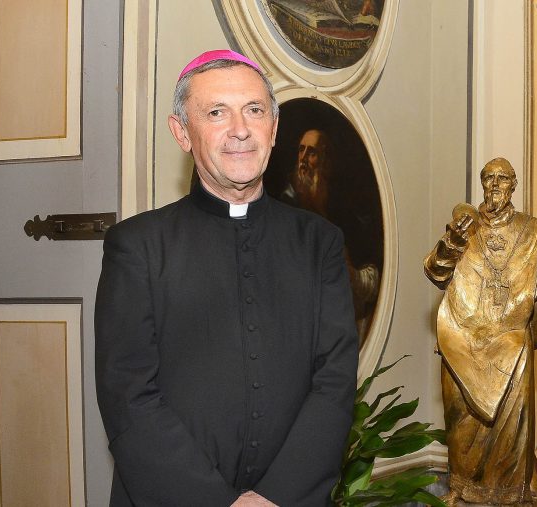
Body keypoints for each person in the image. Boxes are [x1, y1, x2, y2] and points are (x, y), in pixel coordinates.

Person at [95, 49, 358, 506]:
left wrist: (277, 495)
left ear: (273, 130)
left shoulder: (320, 244)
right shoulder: (136, 246)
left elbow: (334, 382)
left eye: (254, 110)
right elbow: (128, 398)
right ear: (182, 132)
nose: (240, 128)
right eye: (216, 112)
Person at [424, 157, 537, 506]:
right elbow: (435, 271)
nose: (495, 185)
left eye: (503, 179)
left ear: (514, 185)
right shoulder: (465, 227)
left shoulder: (530, 230)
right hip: (462, 341)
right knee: (461, 422)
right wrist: (453, 239)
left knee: (509, 428)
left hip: (511, 342)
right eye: (489, 179)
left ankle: (508, 495)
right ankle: (464, 490)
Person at [280, 127, 379, 342]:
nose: (303, 159)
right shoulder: (285, 206)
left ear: (325, 162)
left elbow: (371, 275)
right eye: (301, 150)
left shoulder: (342, 211)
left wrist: (351, 275)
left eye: (312, 153)